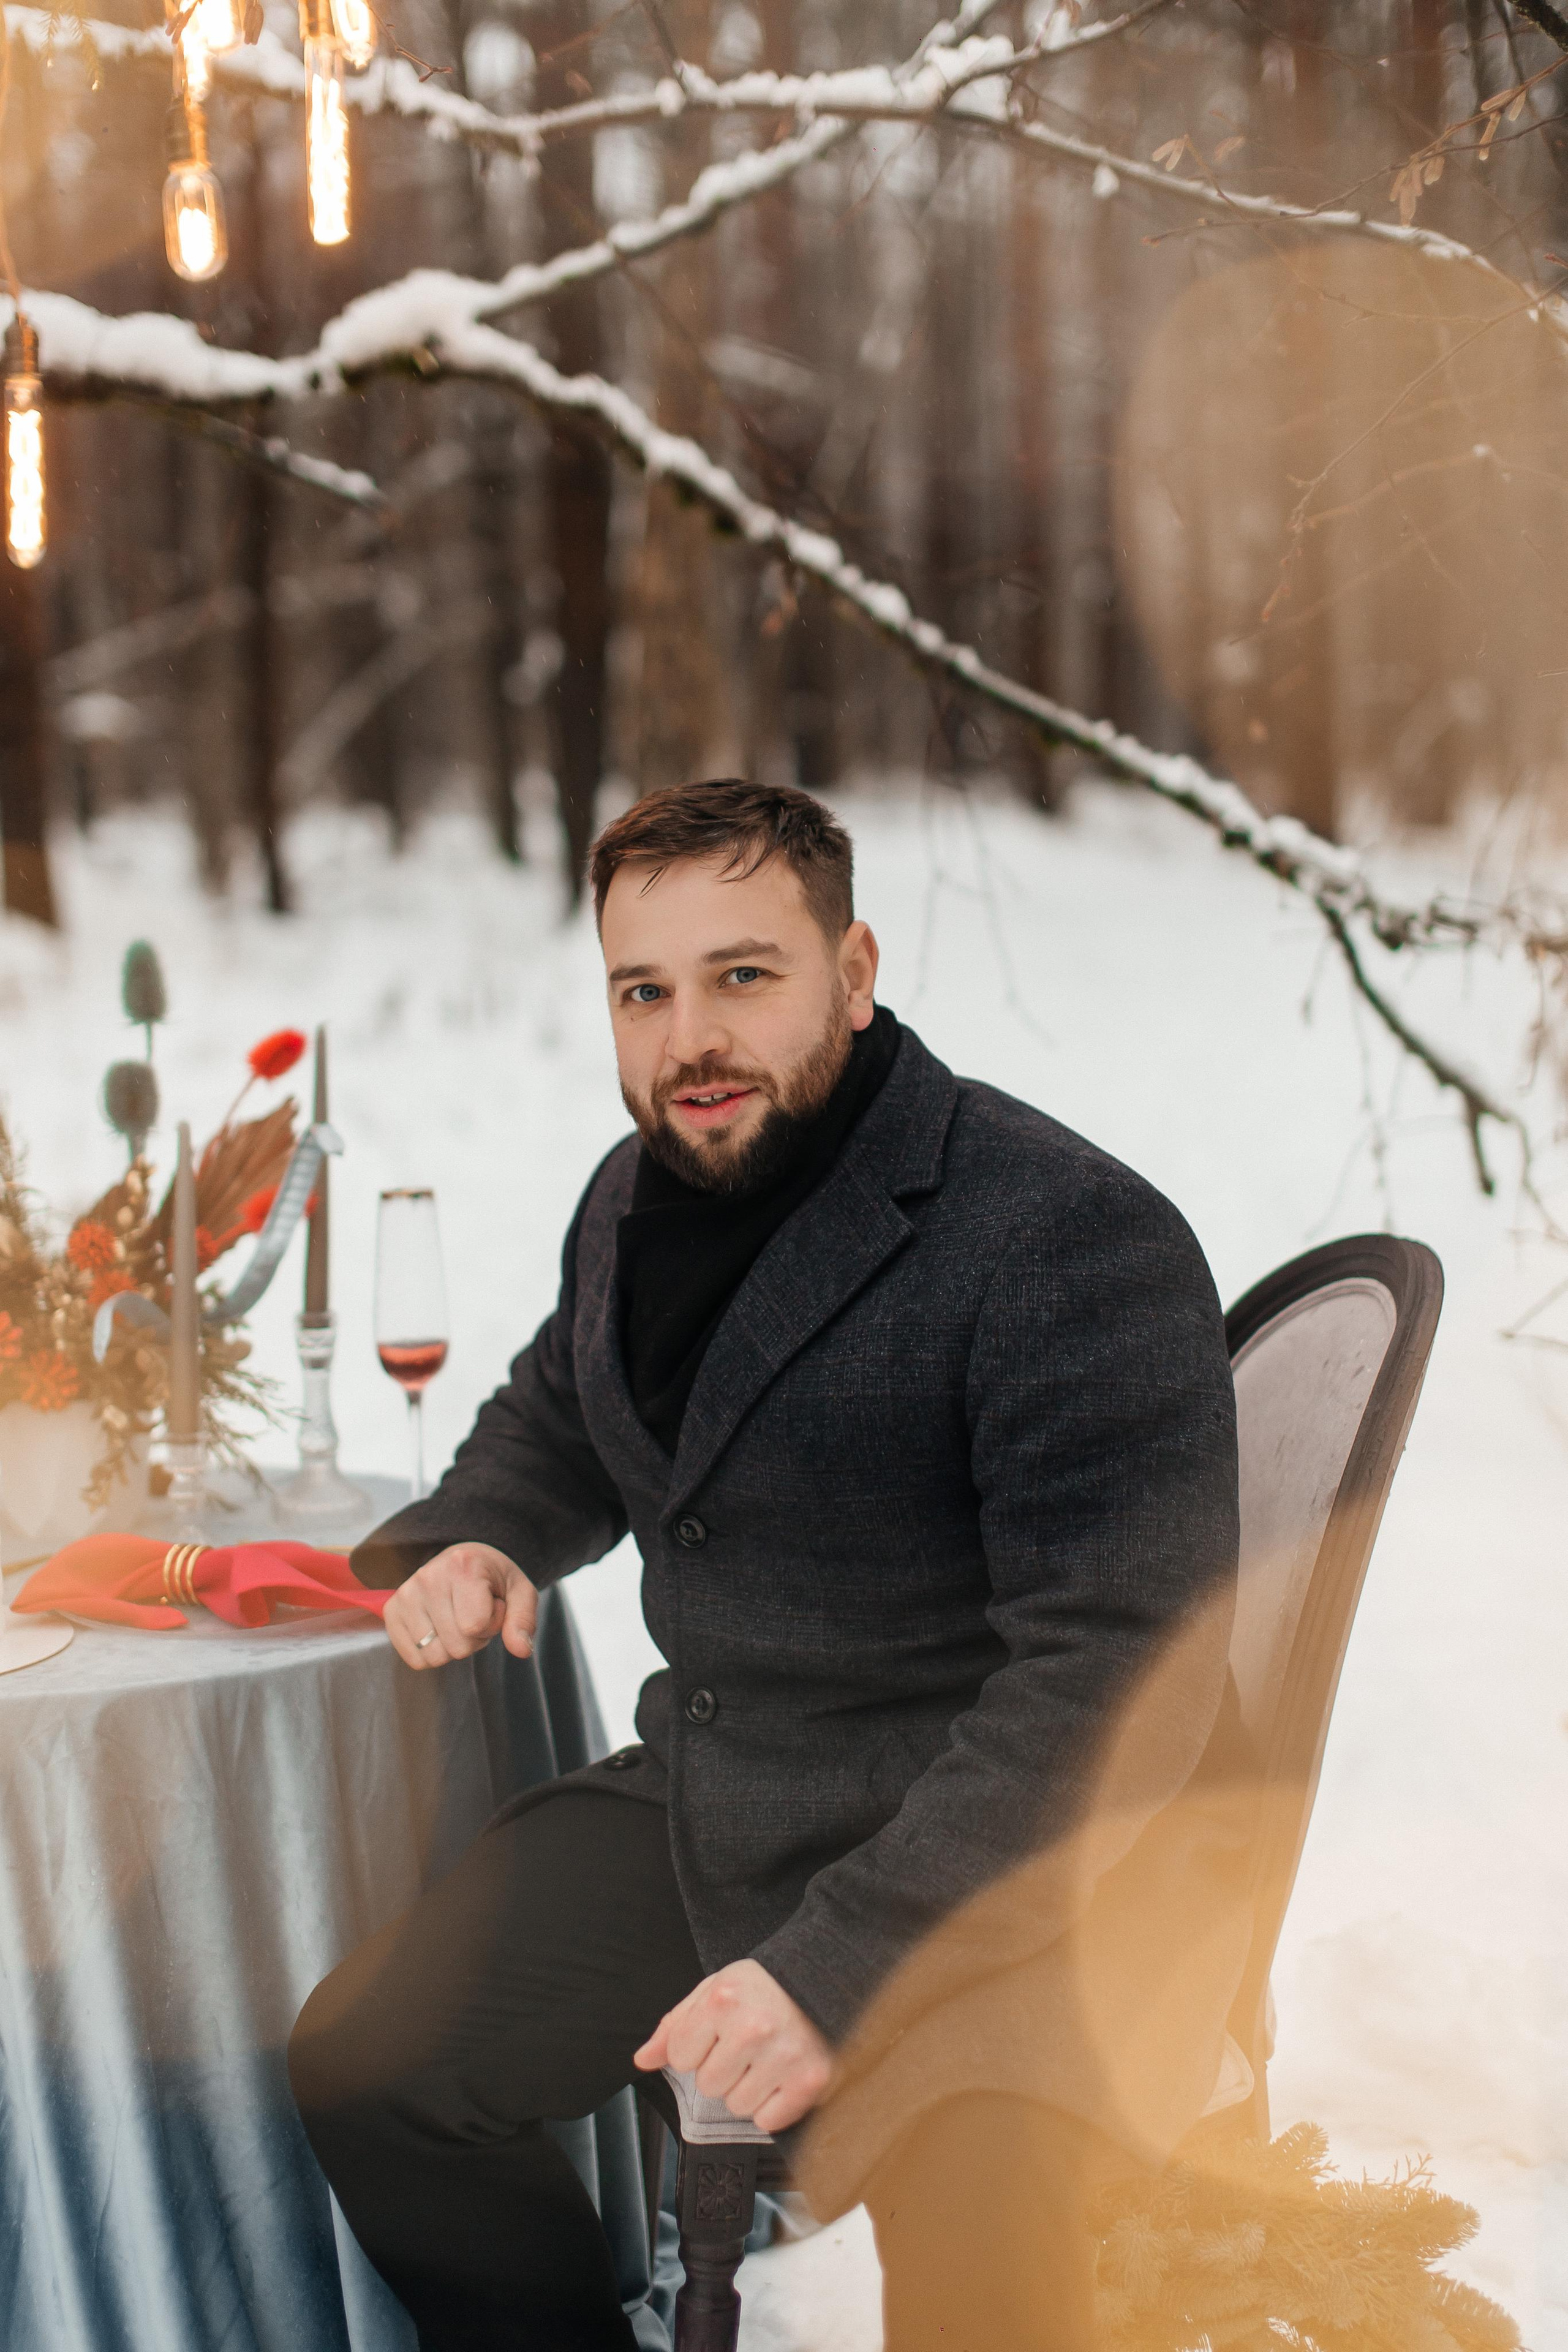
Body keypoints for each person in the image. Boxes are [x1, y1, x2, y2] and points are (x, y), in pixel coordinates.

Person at [288, 777, 1246, 2352]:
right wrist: (482, 1533)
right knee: (379, 2070)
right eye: (642, 993)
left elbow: (1118, 1675)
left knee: (980, 2293)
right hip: (724, 1800)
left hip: (1005, 1866)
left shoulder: (1061, 1234)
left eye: (744, 975)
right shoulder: (636, 1193)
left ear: (853, 974)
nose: (689, 1042)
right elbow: (562, 1413)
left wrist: (829, 1974)